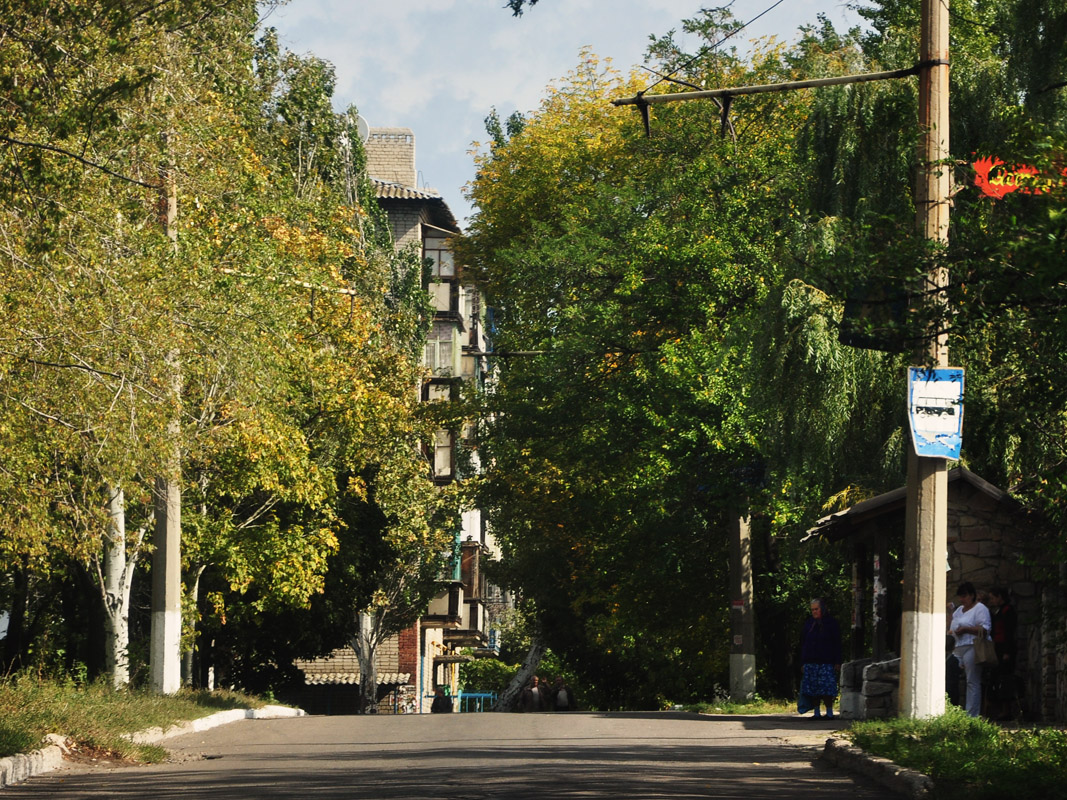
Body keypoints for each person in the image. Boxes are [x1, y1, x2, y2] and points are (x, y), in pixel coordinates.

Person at [948, 581, 992, 717]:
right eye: (960, 597)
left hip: (973, 646)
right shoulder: (958, 610)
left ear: (972, 595)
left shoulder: (980, 608)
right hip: (957, 648)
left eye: (965, 596)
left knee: (972, 680)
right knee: (949, 675)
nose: (962, 599)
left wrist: (967, 629)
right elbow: (952, 626)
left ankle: (972, 715)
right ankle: (951, 708)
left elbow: (985, 630)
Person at [799, 598, 842, 720]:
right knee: (813, 689)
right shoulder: (808, 624)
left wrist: (837, 661)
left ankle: (829, 712)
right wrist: (803, 662)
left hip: (827, 661)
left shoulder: (831, 623)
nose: (814, 612)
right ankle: (816, 712)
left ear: (822, 608)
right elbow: (803, 643)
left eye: (816, 609)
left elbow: (837, 643)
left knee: (827, 688)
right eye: (812, 610)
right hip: (810, 661)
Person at [987, 586, 1019, 720]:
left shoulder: (1008, 610)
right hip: (997, 647)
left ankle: (1006, 710)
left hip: (1005, 648)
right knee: (996, 678)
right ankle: (999, 709)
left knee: (1005, 678)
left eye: (993, 598)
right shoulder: (998, 611)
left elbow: (1009, 632)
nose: (992, 600)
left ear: (1000, 596)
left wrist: (1007, 651)